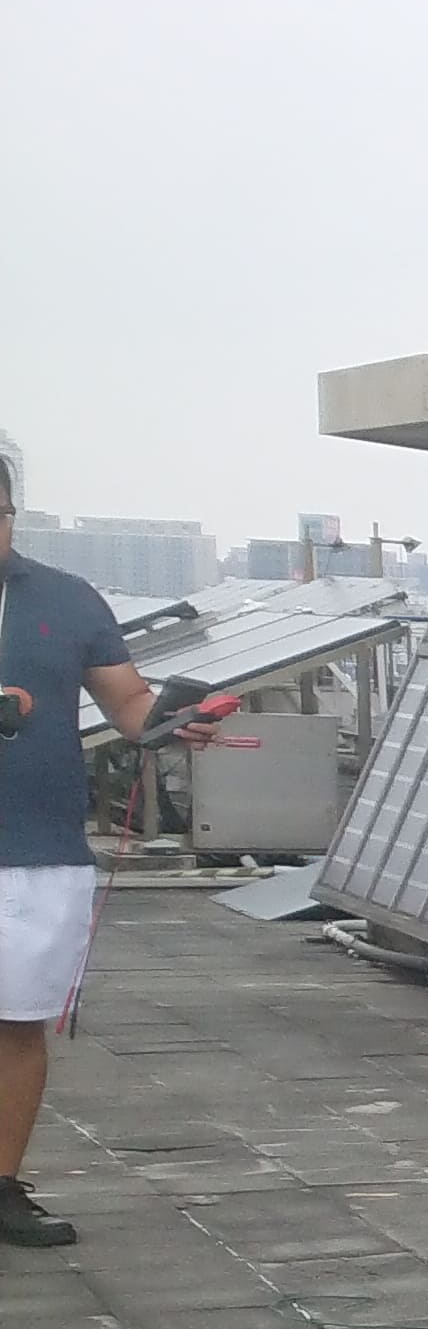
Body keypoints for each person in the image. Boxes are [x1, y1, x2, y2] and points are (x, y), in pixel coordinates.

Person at [0, 436, 156, 1254]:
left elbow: (128, 700)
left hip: (39, 850)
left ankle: (2, 1186)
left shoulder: (65, 598)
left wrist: (173, 723)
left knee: (17, 1022)